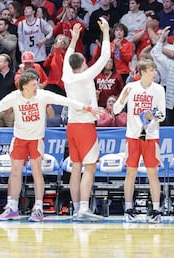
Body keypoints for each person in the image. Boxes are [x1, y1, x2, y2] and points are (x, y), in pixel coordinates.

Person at [0, 71, 98, 221]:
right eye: (33, 84)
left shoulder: (42, 95)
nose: (36, 86)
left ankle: (38, 208)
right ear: (24, 87)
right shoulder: (14, 97)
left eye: (37, 83)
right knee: (15, 172)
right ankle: (12, 207)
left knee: (37, 171)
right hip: (19, 138)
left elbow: (65, 101)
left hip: (36, 139)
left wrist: (87, 108)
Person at [62, 18, 110, 221]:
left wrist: (73, 40)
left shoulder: (66, 76)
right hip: (85, 127)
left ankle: (76, 208)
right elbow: (105, 56)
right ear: (82, 63)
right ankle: (83, 209)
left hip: (71, 126)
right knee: (89, 168)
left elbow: (66, 58)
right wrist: (106, 32)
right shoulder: (86, 75)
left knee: (75, 167)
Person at [113, 59, 165, 223]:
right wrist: (123, 99)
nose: (154, 73)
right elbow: (115, 110)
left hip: (151, 136)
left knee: (152, 173)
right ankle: (128, 208)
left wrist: (153, 116)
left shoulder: (158, 90)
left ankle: (156, 210)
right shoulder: (131, 87)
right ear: (142, 72)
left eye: (155, 70)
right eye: (151, 70)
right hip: (133, 136)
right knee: (131, 172)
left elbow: (162, 115)